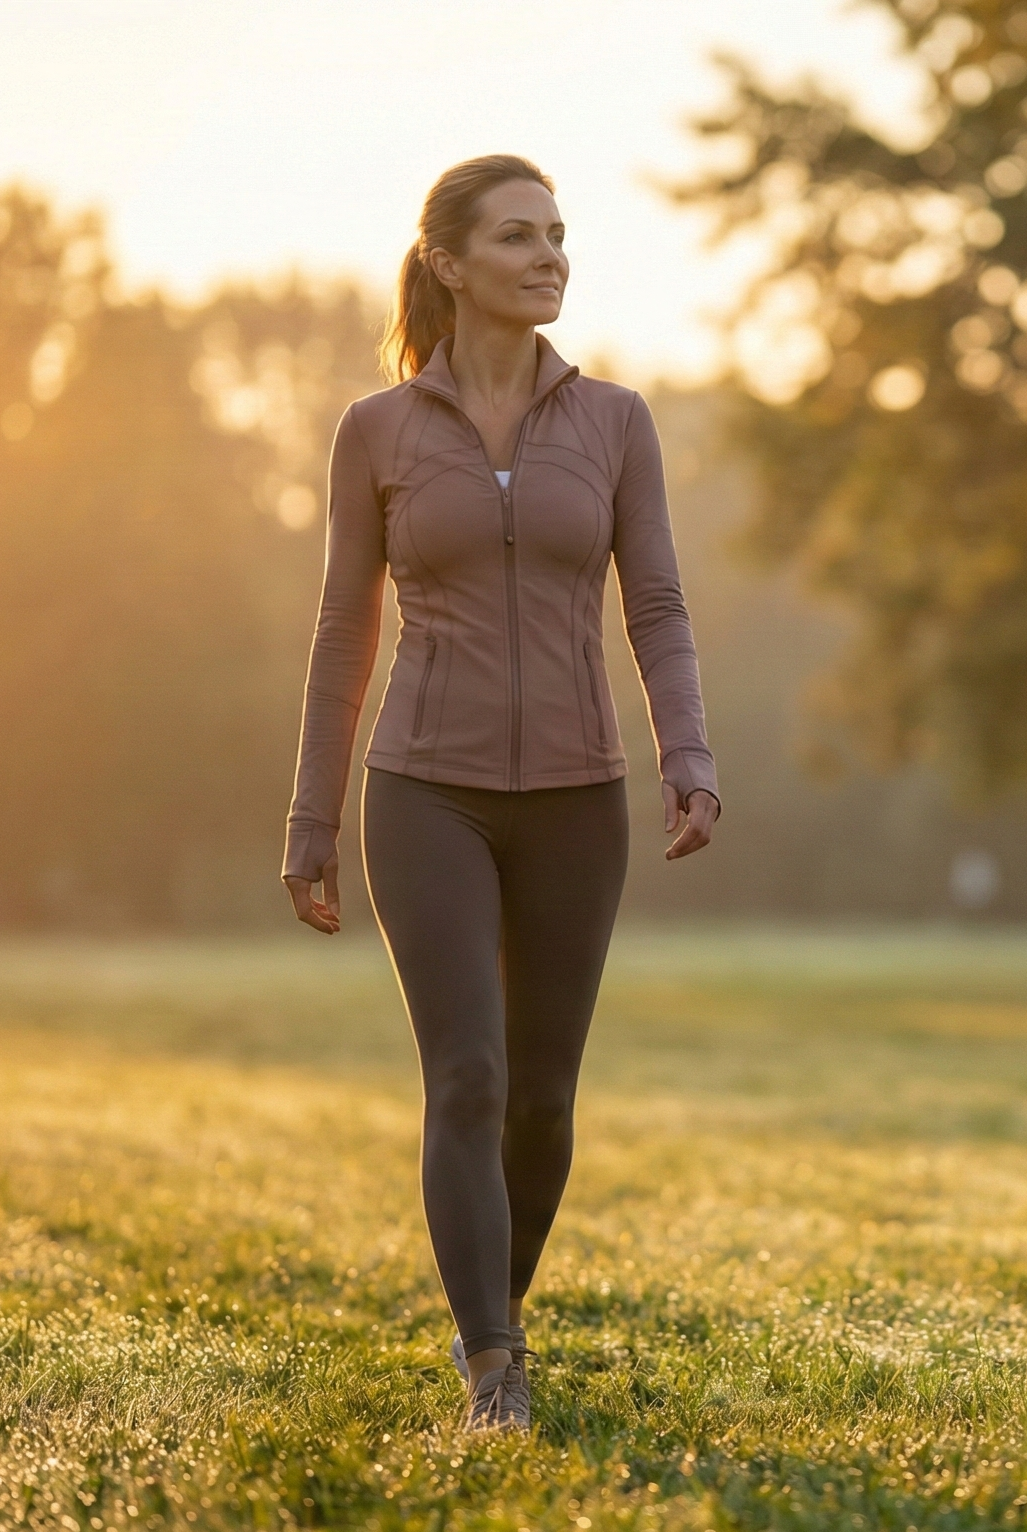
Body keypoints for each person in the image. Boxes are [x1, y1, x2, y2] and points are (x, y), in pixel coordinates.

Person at [278, 153, 720, 1436]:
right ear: (450, 265)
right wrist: (311, 819)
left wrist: (686, 755)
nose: (550, 257)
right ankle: (493, 1371)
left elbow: (657, 606)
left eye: (559, 236)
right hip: (425, 792)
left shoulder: (614, 422)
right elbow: (339, 634)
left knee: (540, 1100)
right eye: (519, 238)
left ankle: (493, 1326)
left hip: (578, 795)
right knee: (465, 1077)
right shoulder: (377, 432)